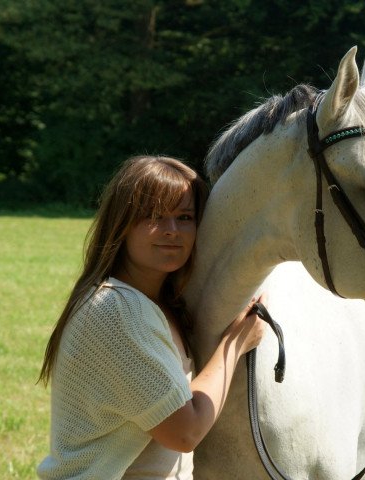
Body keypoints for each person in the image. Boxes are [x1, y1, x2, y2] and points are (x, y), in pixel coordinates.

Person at [37, 155, 266, 479]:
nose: (172, 230)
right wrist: (235, 342)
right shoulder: (117, 311)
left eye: (184, 216)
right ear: (122, 223)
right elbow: (184, 432)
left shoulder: (155, 303)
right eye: (154, 215)